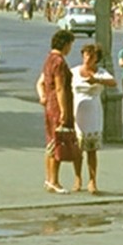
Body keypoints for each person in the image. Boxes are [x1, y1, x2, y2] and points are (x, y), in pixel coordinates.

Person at [37, 29, 80, 193]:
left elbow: (41, 82)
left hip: (49, 105)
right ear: (65, 44)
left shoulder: (49, 59)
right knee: (59, 142)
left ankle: (49, 179)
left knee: (50, 142)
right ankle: (55, 181)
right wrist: (64, 111)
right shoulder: (59, 62)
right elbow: (60, 88)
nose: (70, 48)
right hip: (58, 105)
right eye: (70, 44)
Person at [71, 44, 116, 195]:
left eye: (91, 56)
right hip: (77, 112)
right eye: (85, 55)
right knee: (77, 150)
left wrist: (97, 80)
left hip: (93, 113)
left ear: (96, 58)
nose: (87, 58)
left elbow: (113, 82)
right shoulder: (75, 72)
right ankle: (77, 178)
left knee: (91, 150)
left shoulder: (101, 72)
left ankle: (92, 181)